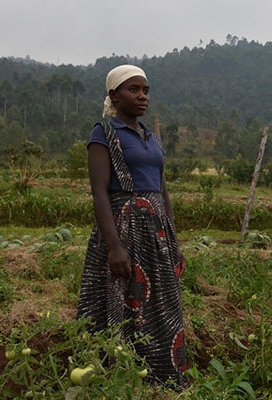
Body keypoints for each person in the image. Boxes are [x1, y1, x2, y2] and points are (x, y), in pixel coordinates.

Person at [76, 64, 187, 388]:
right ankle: (115, 378)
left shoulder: (152, 139)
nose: (142, 96)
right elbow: (99, 192)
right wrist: (114, 247)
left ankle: (162, 380)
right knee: (119, 302)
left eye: (146, 90)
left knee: (163, 304)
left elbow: (163, 192)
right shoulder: (104, 133)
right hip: (123, 230)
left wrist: (174, 243)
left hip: (156, 234)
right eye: (133, 89)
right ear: (114, 95)